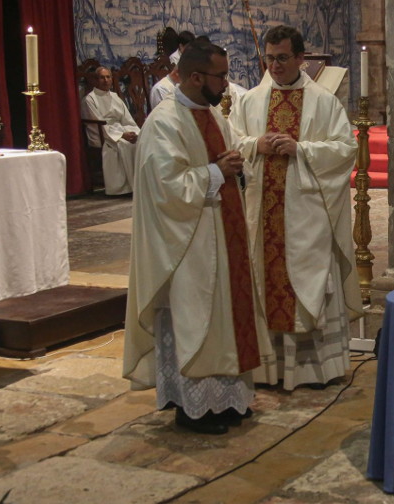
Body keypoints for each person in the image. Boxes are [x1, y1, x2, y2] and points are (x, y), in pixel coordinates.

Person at [122, 40, 269, 435]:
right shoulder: (164, 122)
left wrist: (238, 162)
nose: (227, 83)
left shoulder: (212, 114)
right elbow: (165, 188)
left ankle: (230, 400)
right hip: (187, 243)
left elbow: (230, 156)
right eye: (221, 76)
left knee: (227, 318)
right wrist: (217, 172)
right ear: (195, 77)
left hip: (223, 234)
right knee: (197, 320)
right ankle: (194, 408)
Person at [229, 25, 362, 391]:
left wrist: (300, 149)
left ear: (301, 58)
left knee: (305, 283)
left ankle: (311, 370)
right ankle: (267, 368)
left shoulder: (323, 101)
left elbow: (345, 149)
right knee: (263, 281)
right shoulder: (250, 100)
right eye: (270, 59)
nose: (275, 66)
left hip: (306, 218)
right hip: (262, 214)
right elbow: (231, 142)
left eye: (283, 58)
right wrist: (256, 145)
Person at [81, 66, 140, 195]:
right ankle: (127, 186)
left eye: (108, 77)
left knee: (139, 142)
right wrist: (121, 135)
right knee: (125, 145)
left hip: (120, 129)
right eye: (102, 78)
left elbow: (126, 119)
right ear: (96, 80)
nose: (106, 80)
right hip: (103, 133)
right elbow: (97, 122)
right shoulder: (89, 99)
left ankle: (140, 184)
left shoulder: (114, 96)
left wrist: (134, 132)